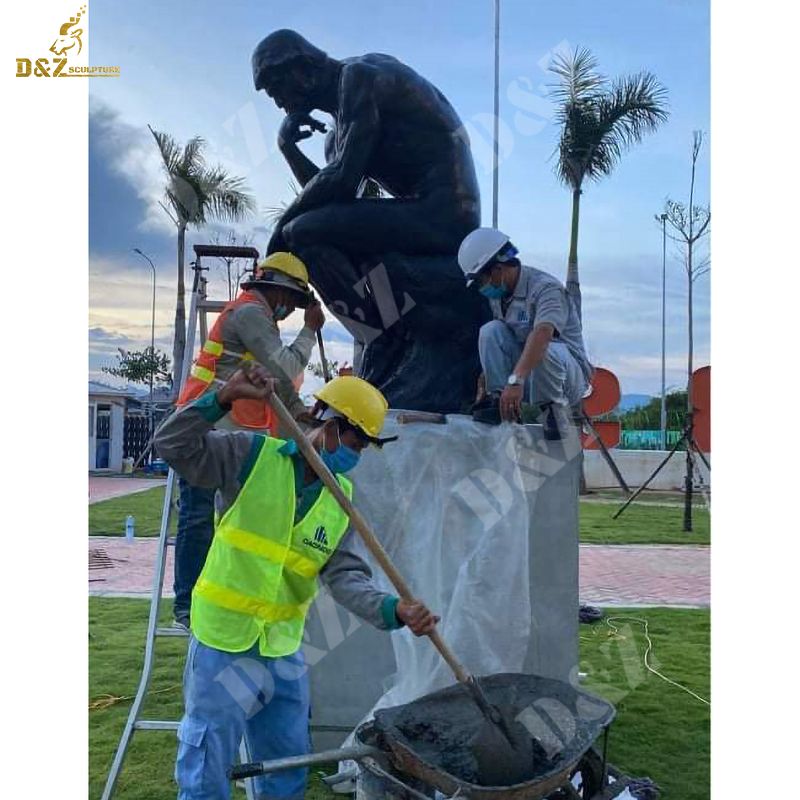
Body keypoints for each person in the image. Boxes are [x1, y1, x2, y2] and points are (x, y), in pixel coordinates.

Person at [154, 366, 438, 800]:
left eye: (363, 446)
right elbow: (171, 444)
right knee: (208, 760)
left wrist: (392, 609)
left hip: (283, 650)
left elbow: (345, 576)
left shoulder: (339, 498)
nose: (356, 454)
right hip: (224, 643)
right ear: (327, 424)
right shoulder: (249, 456)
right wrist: (221, 398)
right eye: (355, 441)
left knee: (286, 764)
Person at [171, 251, 325, 631]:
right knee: (197, 517)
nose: (292, 310)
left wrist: (299, 412)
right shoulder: (252, 314)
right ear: (280, 293)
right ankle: (188, 605)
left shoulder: (258, 318)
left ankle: (215, 596)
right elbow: (285, 367)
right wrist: (309, 329)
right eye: (293, 302)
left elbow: (275, 381)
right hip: (204, 423)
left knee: (225, 519)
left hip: (225, 428)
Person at [251, 29, 480, 257]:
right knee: (308, 228)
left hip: (448, 214)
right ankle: (374, 294)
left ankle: (355, 295)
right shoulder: (336, 137)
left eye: (277, 89)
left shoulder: (358, 78)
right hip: (416, 211)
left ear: (300, 67)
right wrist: (289, 149)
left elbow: (342, 180)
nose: (279, 102)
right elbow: (333, 200)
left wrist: (282, 226)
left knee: (299, 232)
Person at [458, 228, 593, 438]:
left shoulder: (546, 289)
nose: (481, 287)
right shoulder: (498, 298)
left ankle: (553, 411)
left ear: (497, 269)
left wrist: (516, 381)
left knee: (543, 346)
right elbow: (503, 339)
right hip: (528, 377)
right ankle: (501, 403)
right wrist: (490, 374)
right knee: (490, 331)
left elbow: (543, 333)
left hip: (567, 380)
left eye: (480, 280)